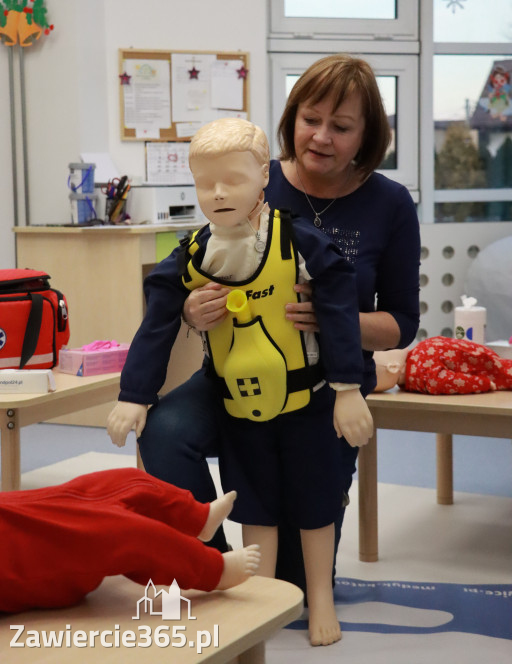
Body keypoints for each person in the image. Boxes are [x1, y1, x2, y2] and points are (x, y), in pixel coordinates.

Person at [109, 54, 420, 611]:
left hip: (327, 382)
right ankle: (218, 564)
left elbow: (401, 323)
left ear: (367, 135)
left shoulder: (389, 203)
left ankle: (274, 566)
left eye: (341, 127)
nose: (320, 137)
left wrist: (335, 319)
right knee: (165, 434)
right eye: (310, 119)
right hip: (234, 372)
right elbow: (192, 273)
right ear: (291, 117)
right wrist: (191, 310)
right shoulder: (249, 177)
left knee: (295, 588)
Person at [0, 467, 260, 614]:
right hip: (21, 554)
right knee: (122, 534)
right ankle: (214, 571)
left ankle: (197, 517)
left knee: (120, 482)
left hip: (13, 511)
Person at [373, 337, 512, 394]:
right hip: (485, 359)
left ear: (393, 367)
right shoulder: (420, 351)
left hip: (486, 369)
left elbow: (453, 382)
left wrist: (483, 383)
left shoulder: (422, 374)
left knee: (505, 374)